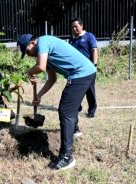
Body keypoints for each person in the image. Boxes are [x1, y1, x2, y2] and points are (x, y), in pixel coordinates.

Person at [17, 34, 96, 170]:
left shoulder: (43, 42)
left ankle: (66, 157)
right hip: (84, 73)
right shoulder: (45, 52)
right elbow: (52, 79)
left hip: (80, 74)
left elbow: (40, 67)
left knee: (65, 110)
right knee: (69, 107)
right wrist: (39, 95)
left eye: (27, 51)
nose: (29, 55)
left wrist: (29, 72)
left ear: (33, 42)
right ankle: (74, 130)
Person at [69, 18, 98, 119]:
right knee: (75, 89)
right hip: (76, 70)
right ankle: (78, 107)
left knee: (90, 90)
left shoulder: (89, 36)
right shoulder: (72, 39)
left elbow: (94, 50)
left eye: (75, 26)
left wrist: (94, 65)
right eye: (72, 27)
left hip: (88, 69)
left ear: (81, 26)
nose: (74, 28)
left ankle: (92, 110)